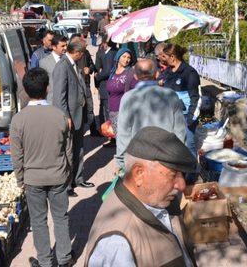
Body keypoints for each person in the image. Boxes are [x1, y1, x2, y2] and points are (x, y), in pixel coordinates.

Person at [84, 127, 196, 267]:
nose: (181, 185)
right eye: (173, 175)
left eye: (182, 175)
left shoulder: (161, 200)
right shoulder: (118, 245)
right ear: (139, 174)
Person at [9, 68, 73, 267]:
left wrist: (21, 179)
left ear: (26, 92)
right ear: (47, 88)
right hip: (58, 176)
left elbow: (17, 155)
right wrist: (68, 174)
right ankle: (65, 258)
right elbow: (68, 150)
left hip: (33, 179)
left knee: (38, 221)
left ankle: (45, 261)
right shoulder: (60, 116)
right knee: (61, 217)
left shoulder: (18, 119)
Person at [115, 59, 187, 171]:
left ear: (135, 76)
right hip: (167, 158)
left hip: (139, 160)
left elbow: (124, 132)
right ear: (156, 74)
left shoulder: (128, 97)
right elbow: (180, 129)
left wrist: (121, 161)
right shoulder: (170, 95)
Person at [52, 39, 94, 196]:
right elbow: (59, 97)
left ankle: (78, 178)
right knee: (68, 152)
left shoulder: (73, 64)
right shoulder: (62, 67)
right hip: (69, 117)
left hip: (78, 114)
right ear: (77, 53)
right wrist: (65, 117)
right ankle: (67, 185)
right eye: (82, 54)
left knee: (79, 148)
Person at [161, 43, 201, 183]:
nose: (163, 59)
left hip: (186, 117)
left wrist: (190, 120)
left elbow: (196, 98)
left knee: (188, 147)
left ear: (173, 57)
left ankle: (191, 178)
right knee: (174, 147)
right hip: (171, 117)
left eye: (165, 56)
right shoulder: (168, 72)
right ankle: (179, 177)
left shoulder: (189, 73)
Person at [104, 48, 136, 147]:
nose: (127, 60)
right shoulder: (113, 71)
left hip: (123, 111)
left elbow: (136, 91)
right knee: (119, 141)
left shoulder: (130, 73)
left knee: (124, 142)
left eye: (129, 57)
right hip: (112, 111)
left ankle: (126, 161)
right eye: (124, 56)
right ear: (118, 57)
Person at [71, 35, 99, 136]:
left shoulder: (85, 53)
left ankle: (93, 129)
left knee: (90, 107)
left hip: (86, 84)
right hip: (75, 86)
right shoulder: (69, 55)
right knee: (78, 109)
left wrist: (89, 69)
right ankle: (78, 131)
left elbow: (92, 65)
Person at [94, 36, 117, 127]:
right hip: (106, 85)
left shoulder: (110, 53)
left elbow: (106, 71)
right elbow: (97, 66)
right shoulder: (112, 52)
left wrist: (97, 76)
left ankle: (109, 131)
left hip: (106, 84)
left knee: (107, 108)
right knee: (105, 106)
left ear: (104, 43)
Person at [39, 35, 68, 103]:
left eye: (66, 45)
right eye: (62, 46)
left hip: (67, 101)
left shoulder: (68, 60)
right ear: (54, 47)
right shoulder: (44, 63)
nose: (65, 48)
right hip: (52, 101)